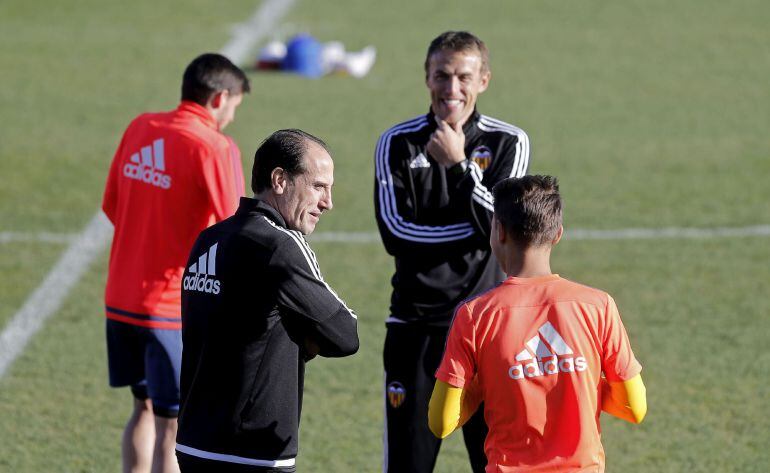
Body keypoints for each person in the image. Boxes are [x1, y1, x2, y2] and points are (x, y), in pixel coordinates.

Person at [373, 31, 530, 472]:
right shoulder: (396, 143)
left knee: (496, 464)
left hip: (489, 332)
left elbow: (505, 229)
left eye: (464, 76)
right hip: (416, 329)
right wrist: (479, 229)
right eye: (441, 75)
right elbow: (394, 233)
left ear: (484, 80)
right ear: (426, 77)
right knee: (408, 465)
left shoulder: (509, 143)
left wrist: (460, 167)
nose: (452, 89)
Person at [429, 175, 647, 472]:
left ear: (499, 231)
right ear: (557, 234)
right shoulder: (598, 306)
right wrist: (585, 383)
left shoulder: (474, 315)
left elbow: (441, 422)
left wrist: (483, 388)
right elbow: (634, 408)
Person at [175, 129, 359, 473]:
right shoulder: (281, 245)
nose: (328, 202)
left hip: (194, 443)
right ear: (279, 180)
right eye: (318, 186)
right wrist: (305, 338)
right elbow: (345, 334)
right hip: (253, 450)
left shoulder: (209, 239)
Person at [102, 53, 250, 473]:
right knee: (175, 428)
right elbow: (235, 232)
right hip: (169, 309)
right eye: (235, 107)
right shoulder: (214, 146)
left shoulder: (140, 127)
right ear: (220, 97)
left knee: (143, 408)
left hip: (120, 297)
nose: (232, 118)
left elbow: (113, 206)